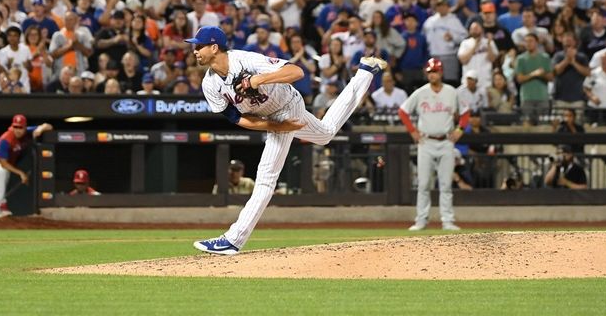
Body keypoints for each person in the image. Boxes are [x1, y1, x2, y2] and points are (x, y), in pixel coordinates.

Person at [189, 26, 386, 255]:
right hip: (274, 118)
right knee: (325, 134)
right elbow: (238, 118)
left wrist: (258, 80)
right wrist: (277, 127)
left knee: (265, 178)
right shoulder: (209, 84)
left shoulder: (246, 60)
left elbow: (297, 72)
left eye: (199, 46)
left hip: (288, 106)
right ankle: (365, 72)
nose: (194, 50)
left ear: (214, 47)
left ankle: (233, 240)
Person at [398, 58, 470, 231]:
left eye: (435, 71)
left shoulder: (451, 92)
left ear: (441, 73)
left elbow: (466, 113)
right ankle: (421, 220)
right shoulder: (421, 92)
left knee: (445, 184)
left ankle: (447, 220)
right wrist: (412, 131)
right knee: (423, 184)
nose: (432, 75)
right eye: (430, 72)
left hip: (445, 141)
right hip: (426, 141)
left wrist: (460, 130)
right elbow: (403, 111)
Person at [0, 114, 53, 218]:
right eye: (15, 127)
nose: (18, 130)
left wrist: (41, 128)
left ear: (25, 127)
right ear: (12, 127)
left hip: (0, 165)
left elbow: (49, 126)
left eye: (20, 127)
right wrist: (21, 173)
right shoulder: (6, 139)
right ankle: (2, 207)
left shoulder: (28, 132)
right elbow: (4, 163)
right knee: (3, 172)